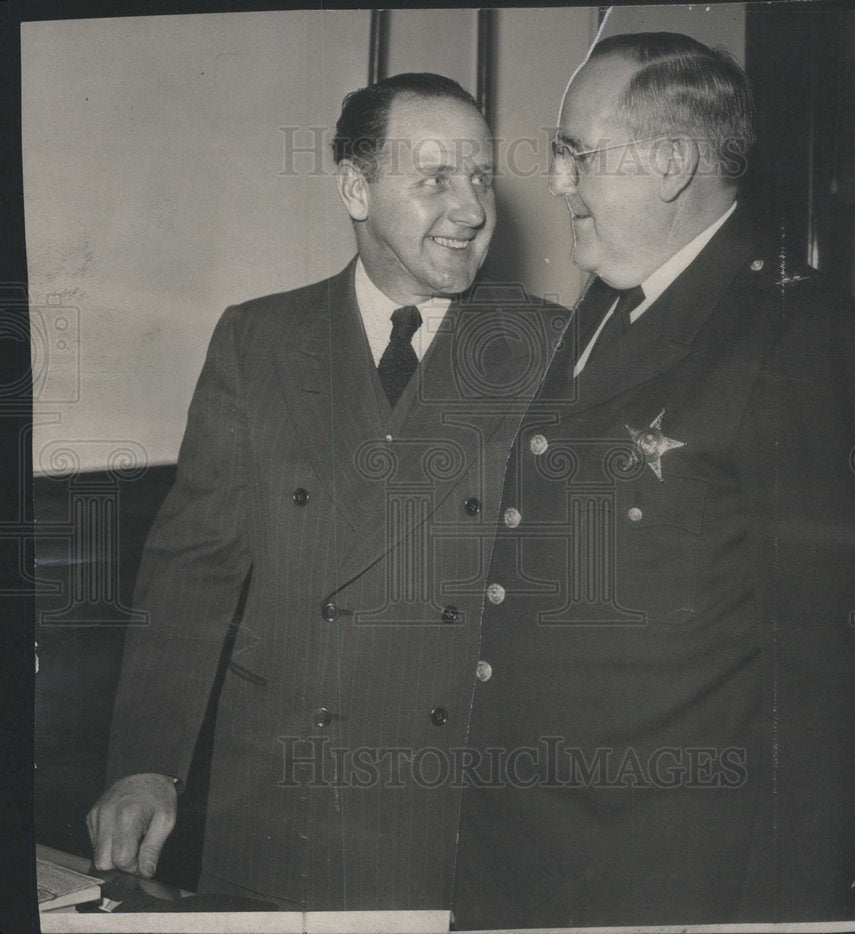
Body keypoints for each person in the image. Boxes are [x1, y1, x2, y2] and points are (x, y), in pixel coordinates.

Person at [87, 72, 559, 910]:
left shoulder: (549, 346)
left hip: (455, 805)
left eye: (481, 176)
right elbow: (193, 568)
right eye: (434, 179)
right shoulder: (258, 339)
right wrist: (146, 762)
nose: (472, 209)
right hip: (279, 795)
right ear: (354, 185)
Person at [452, 32, 855, 927]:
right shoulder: (613, 296)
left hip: (669, 874)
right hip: (530, 849)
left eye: (577, 156)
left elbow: (828, 686)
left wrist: (790, 912)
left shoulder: (797, 337)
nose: (558, 182)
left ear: (673, 163)